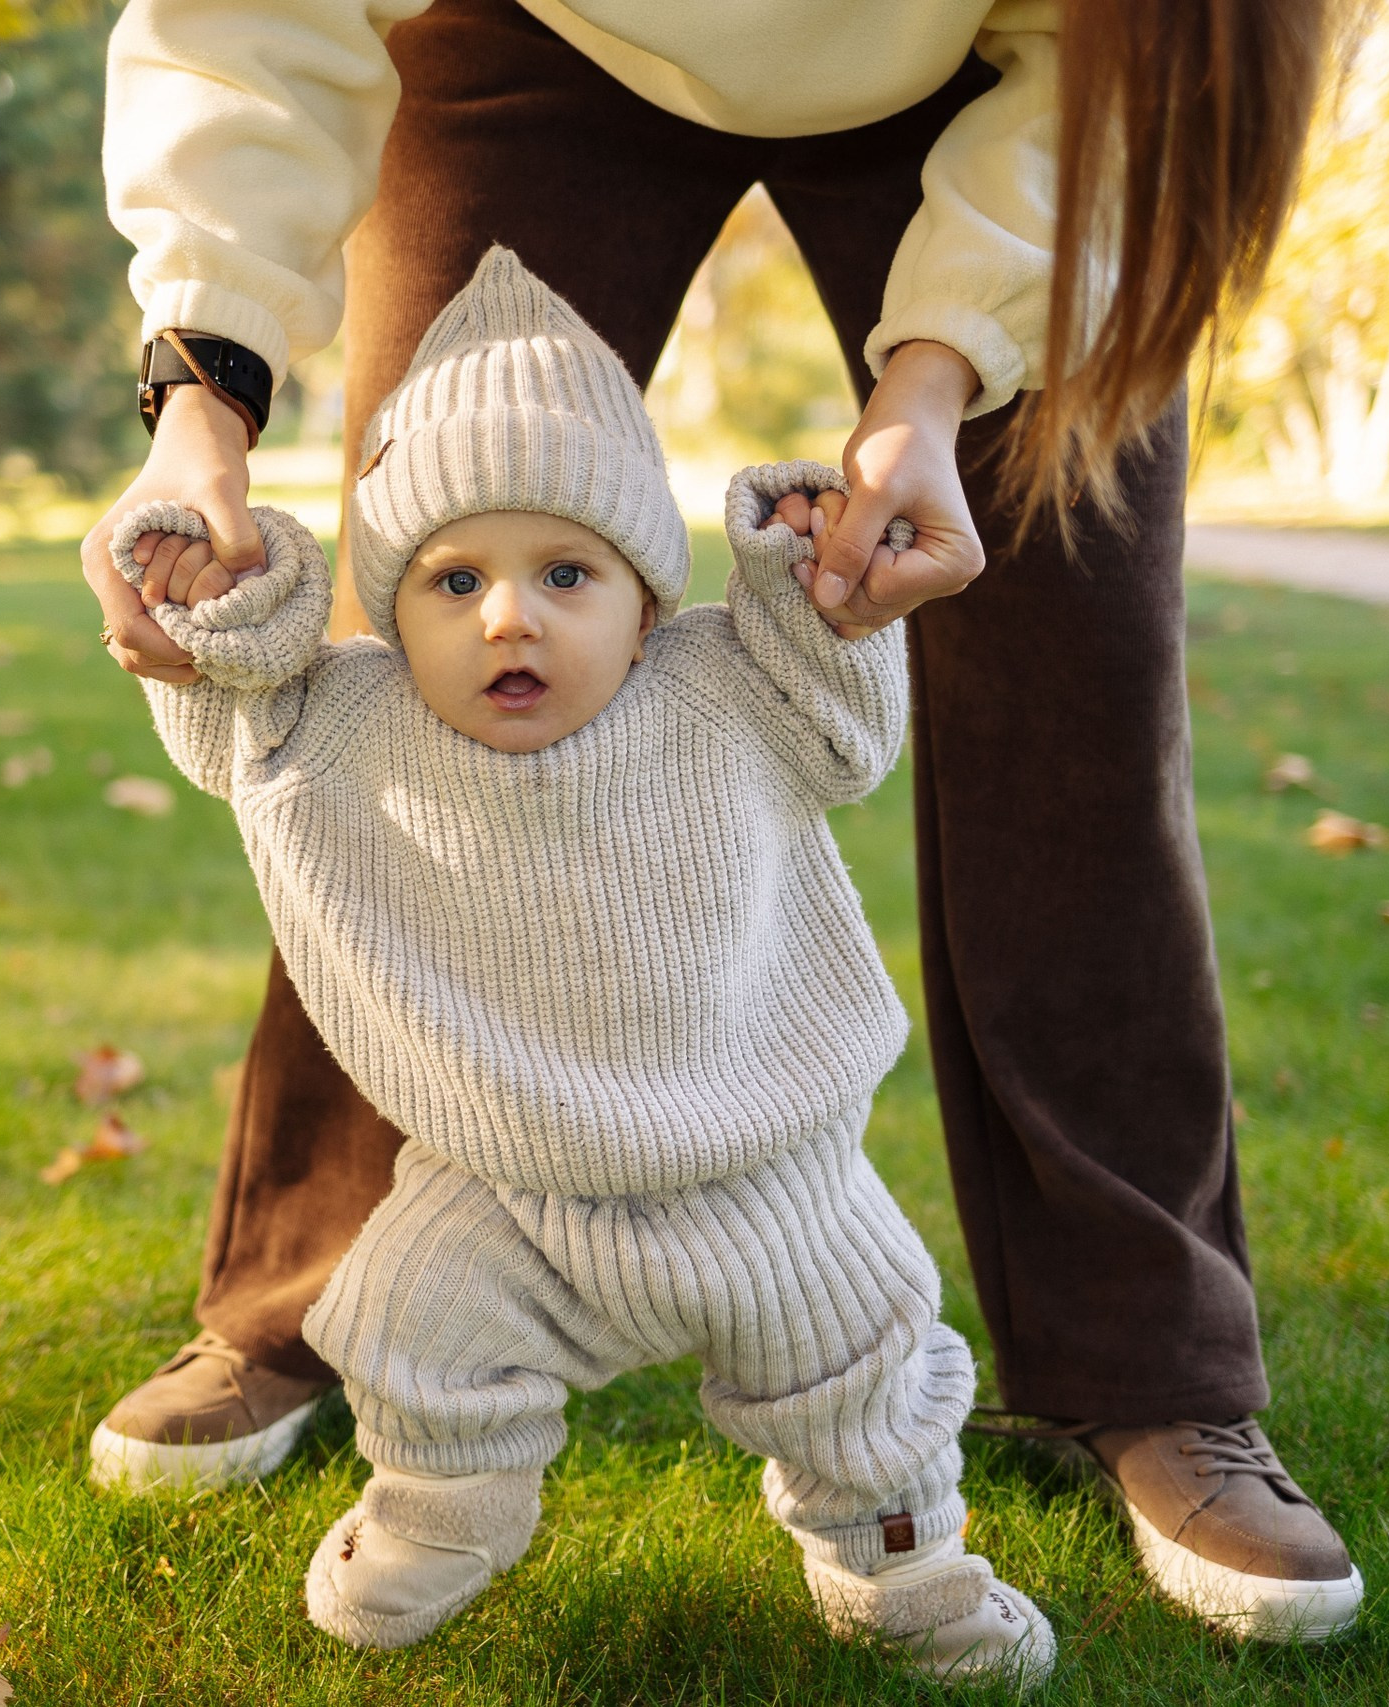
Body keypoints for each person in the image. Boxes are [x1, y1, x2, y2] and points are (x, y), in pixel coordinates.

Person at [83, 0, 1365, 1645]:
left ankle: (1150, 1362)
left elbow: (1127, 88)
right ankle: (309, 1299)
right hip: (533, 35)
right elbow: (245, 22)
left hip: (994, 68)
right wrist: (201, 405)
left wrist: (936, 377)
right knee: (407, 686)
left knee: (1078, 705)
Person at [108, 247, 1053, 1685]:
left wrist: (811, 578)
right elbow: (242, 708)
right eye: (452, 579)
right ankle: (443, 1511)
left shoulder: (722, 685)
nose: (509, 617)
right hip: (508, 1192)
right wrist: (221, 592)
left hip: (771, 1180)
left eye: (567, 572)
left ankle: (904, 1565)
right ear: (390, 606)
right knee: (408, 1337)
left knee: (866, 1377)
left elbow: (847, 722)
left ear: (645, 596)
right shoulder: (358, 726)